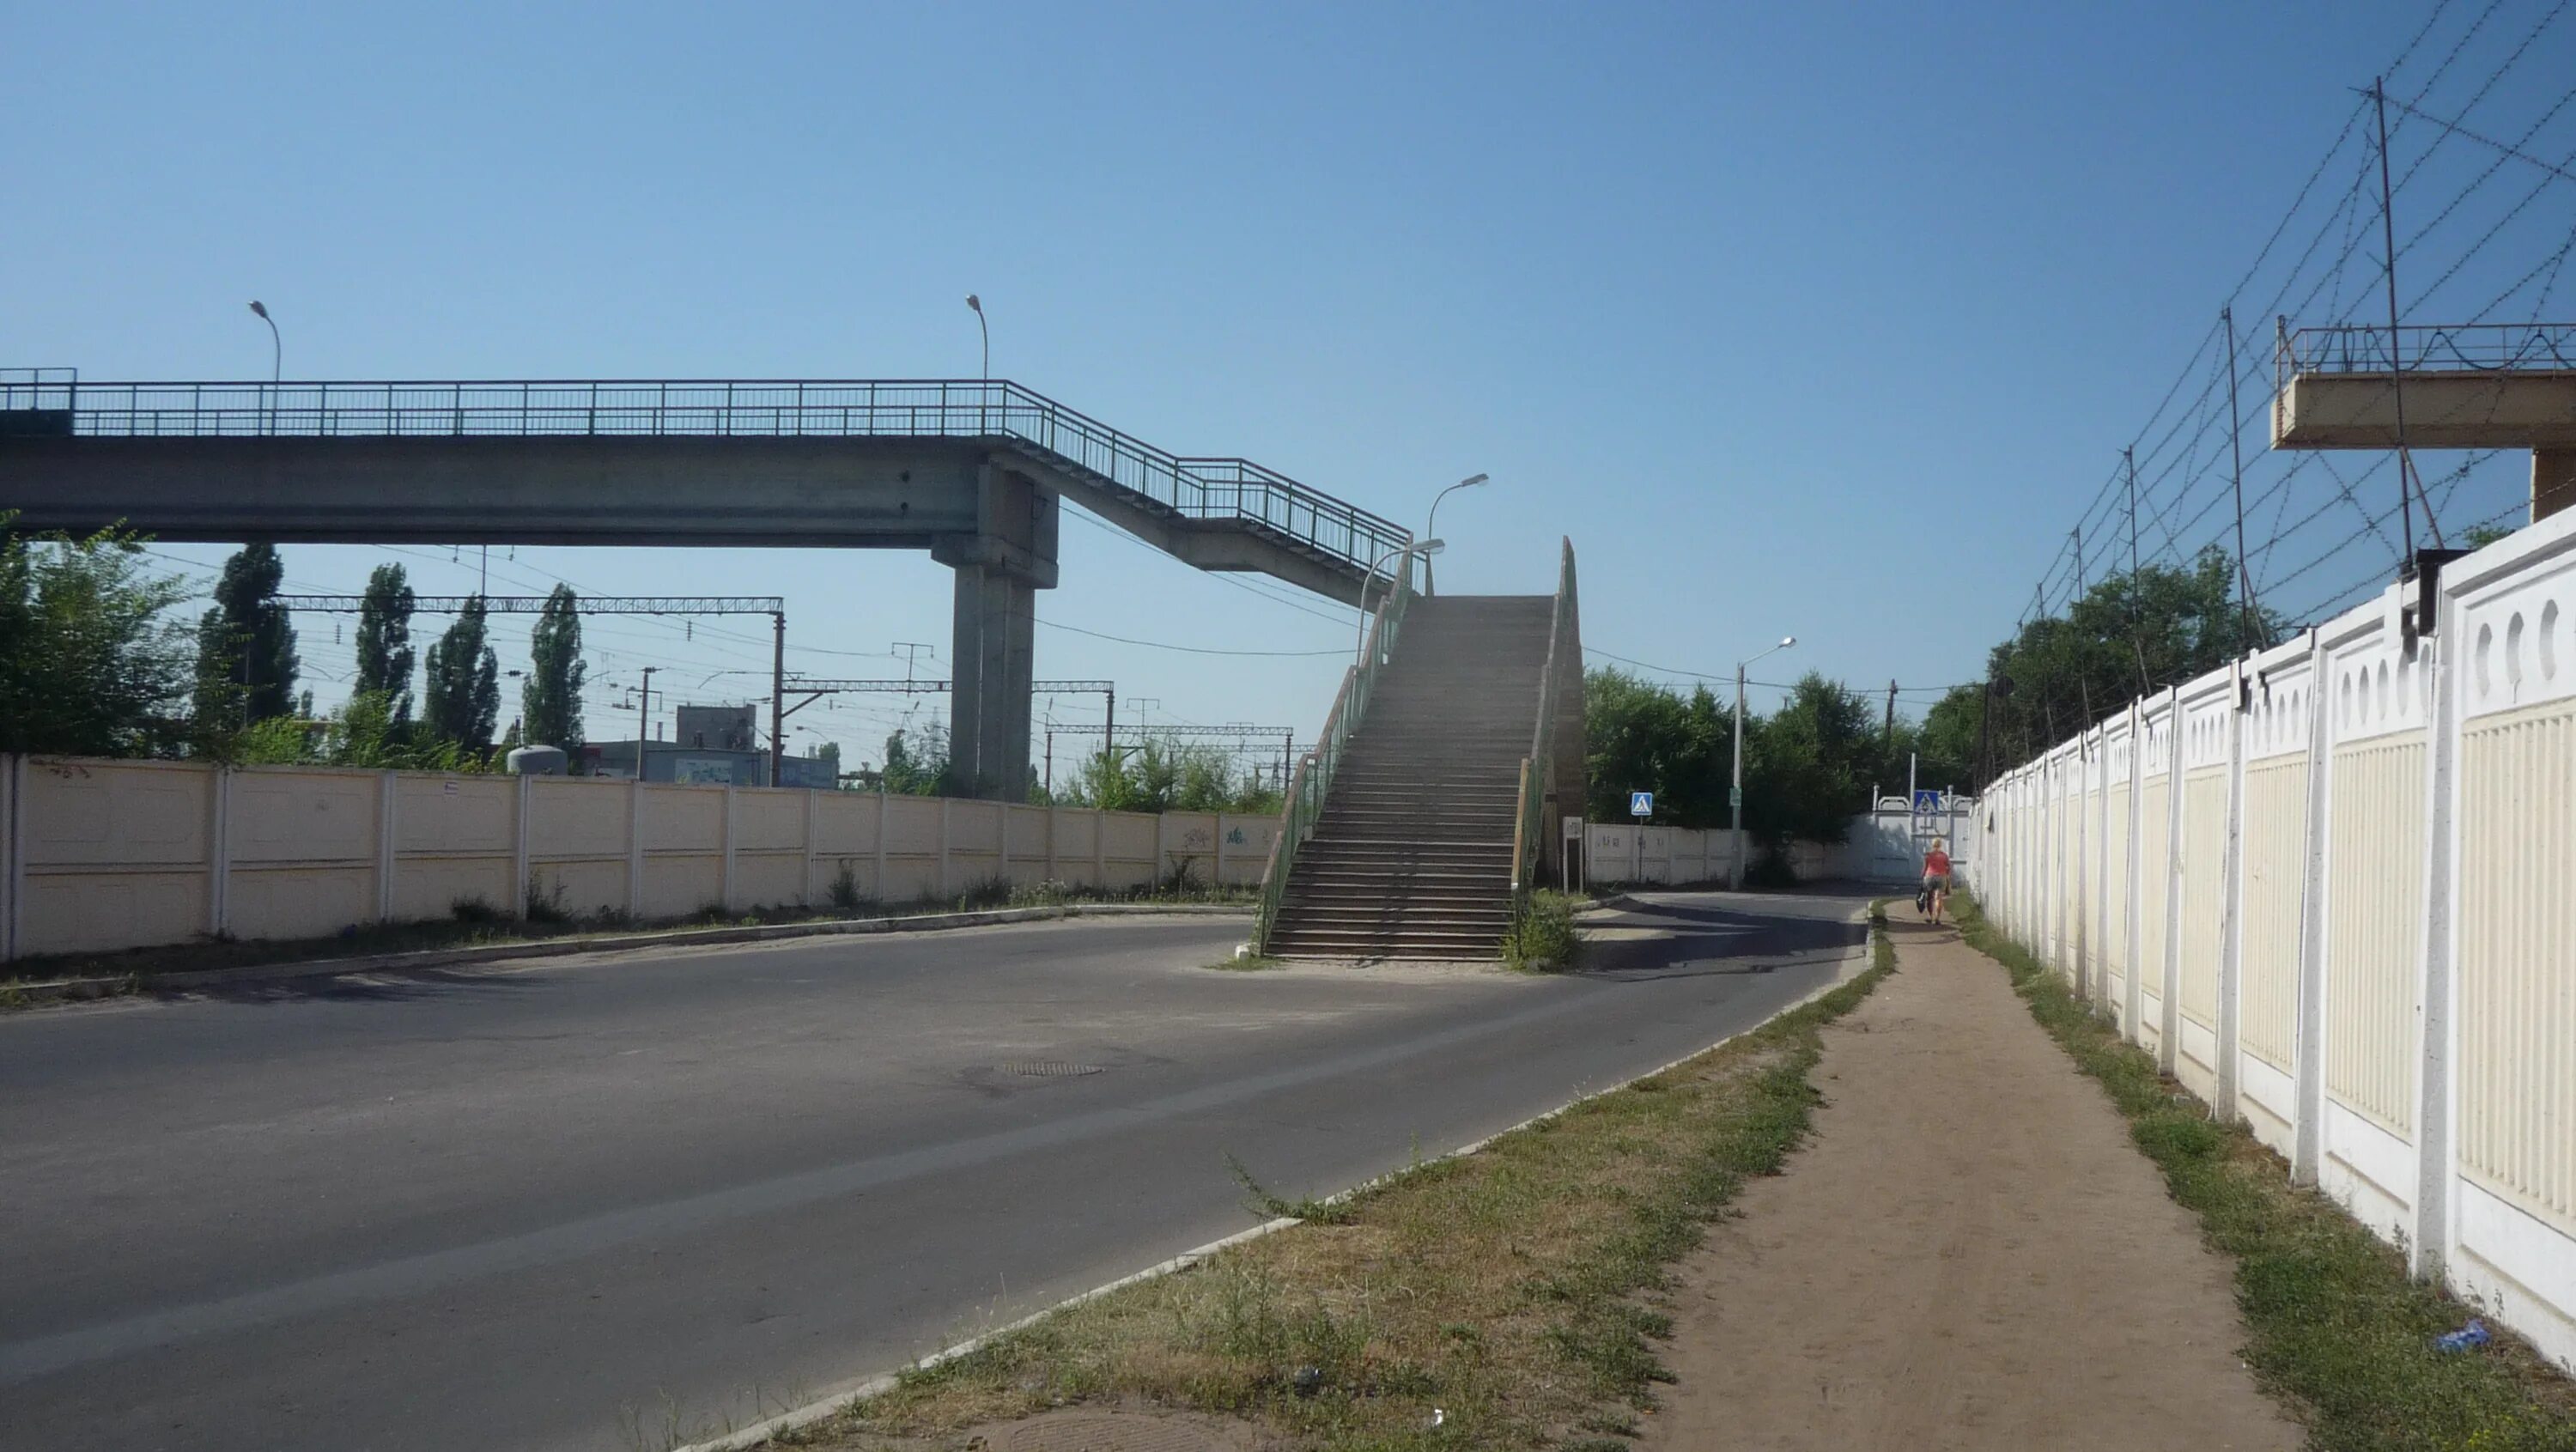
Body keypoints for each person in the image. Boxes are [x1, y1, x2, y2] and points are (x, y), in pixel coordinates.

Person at [1922, 838, 1953, 926]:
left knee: (1929, 898)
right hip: (1941, 877)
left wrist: (1922, 876)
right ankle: (1937, 918)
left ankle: (1930, 916)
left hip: (1929, 877)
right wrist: (1946, 875)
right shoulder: (1944, 856)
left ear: (1932, 845)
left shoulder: (1928, 856)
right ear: (1940, 845)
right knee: (1939, 898)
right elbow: (1948, 868)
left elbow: (1925, 868)